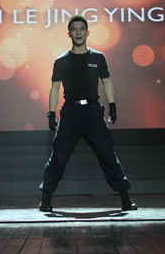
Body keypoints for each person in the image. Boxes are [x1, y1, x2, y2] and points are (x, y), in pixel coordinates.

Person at [38, 14, 137, 212]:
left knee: (108, 155)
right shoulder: (61, 61)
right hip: (71, 114)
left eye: (82, 29)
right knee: (59, 157)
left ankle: (126, 199)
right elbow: (55, 88)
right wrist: (51, 114)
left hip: (93, 113)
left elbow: (106, 82)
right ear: (69, 33)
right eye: (74, 29)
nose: (78, 32)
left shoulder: (98, 58)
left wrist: (112, 105)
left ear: (87, 32)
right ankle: (45, 200)